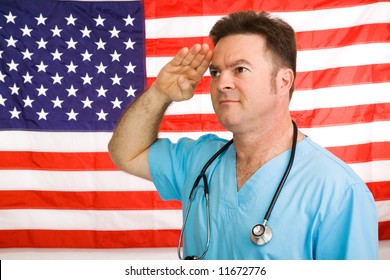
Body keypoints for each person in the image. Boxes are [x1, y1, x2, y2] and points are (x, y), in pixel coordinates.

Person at [108, 10, 378, 259]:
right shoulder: (199, 159)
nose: (221, 83)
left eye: (240, 69)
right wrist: (159, 94)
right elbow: (126, 153)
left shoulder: (339, 192)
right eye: (215, 72)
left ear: (284, 81)